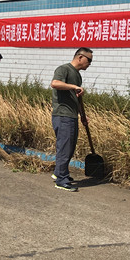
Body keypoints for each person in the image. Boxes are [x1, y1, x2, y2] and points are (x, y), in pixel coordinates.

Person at [50, 47, 94, 192]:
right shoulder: (64, 69)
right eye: (89, 60)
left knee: (68, 147)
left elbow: (78, 98)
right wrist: (73, 86)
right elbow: (55, 83)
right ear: (80, 57)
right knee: (65, 147)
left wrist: (82, 115)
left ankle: (59, 173)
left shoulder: (78, 75)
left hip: (72, 115)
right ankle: (61, 180)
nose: (90, 64)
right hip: (63, 115)